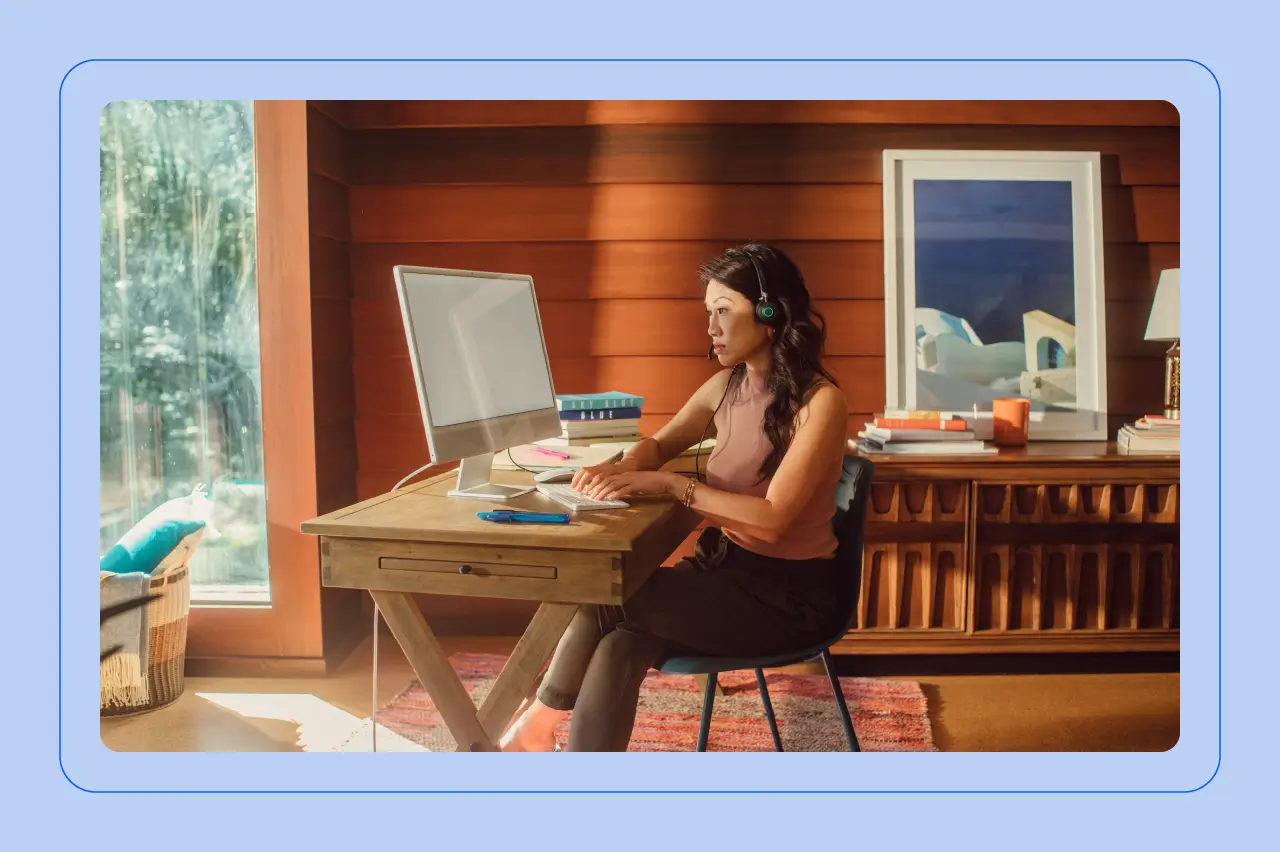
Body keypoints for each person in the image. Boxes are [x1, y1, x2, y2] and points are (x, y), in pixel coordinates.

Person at [499, 243, 850, 752]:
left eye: (724, 311)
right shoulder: (727, 385)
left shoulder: (822, 402)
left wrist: (670, 485)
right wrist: (620, 470)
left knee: (610, 598)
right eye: (709, 312)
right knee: (622, 644)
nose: (711, 327)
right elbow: (662, 443)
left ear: (771, 314)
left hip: (789, 598)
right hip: (725, 573)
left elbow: (772, 521)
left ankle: (531, 729)